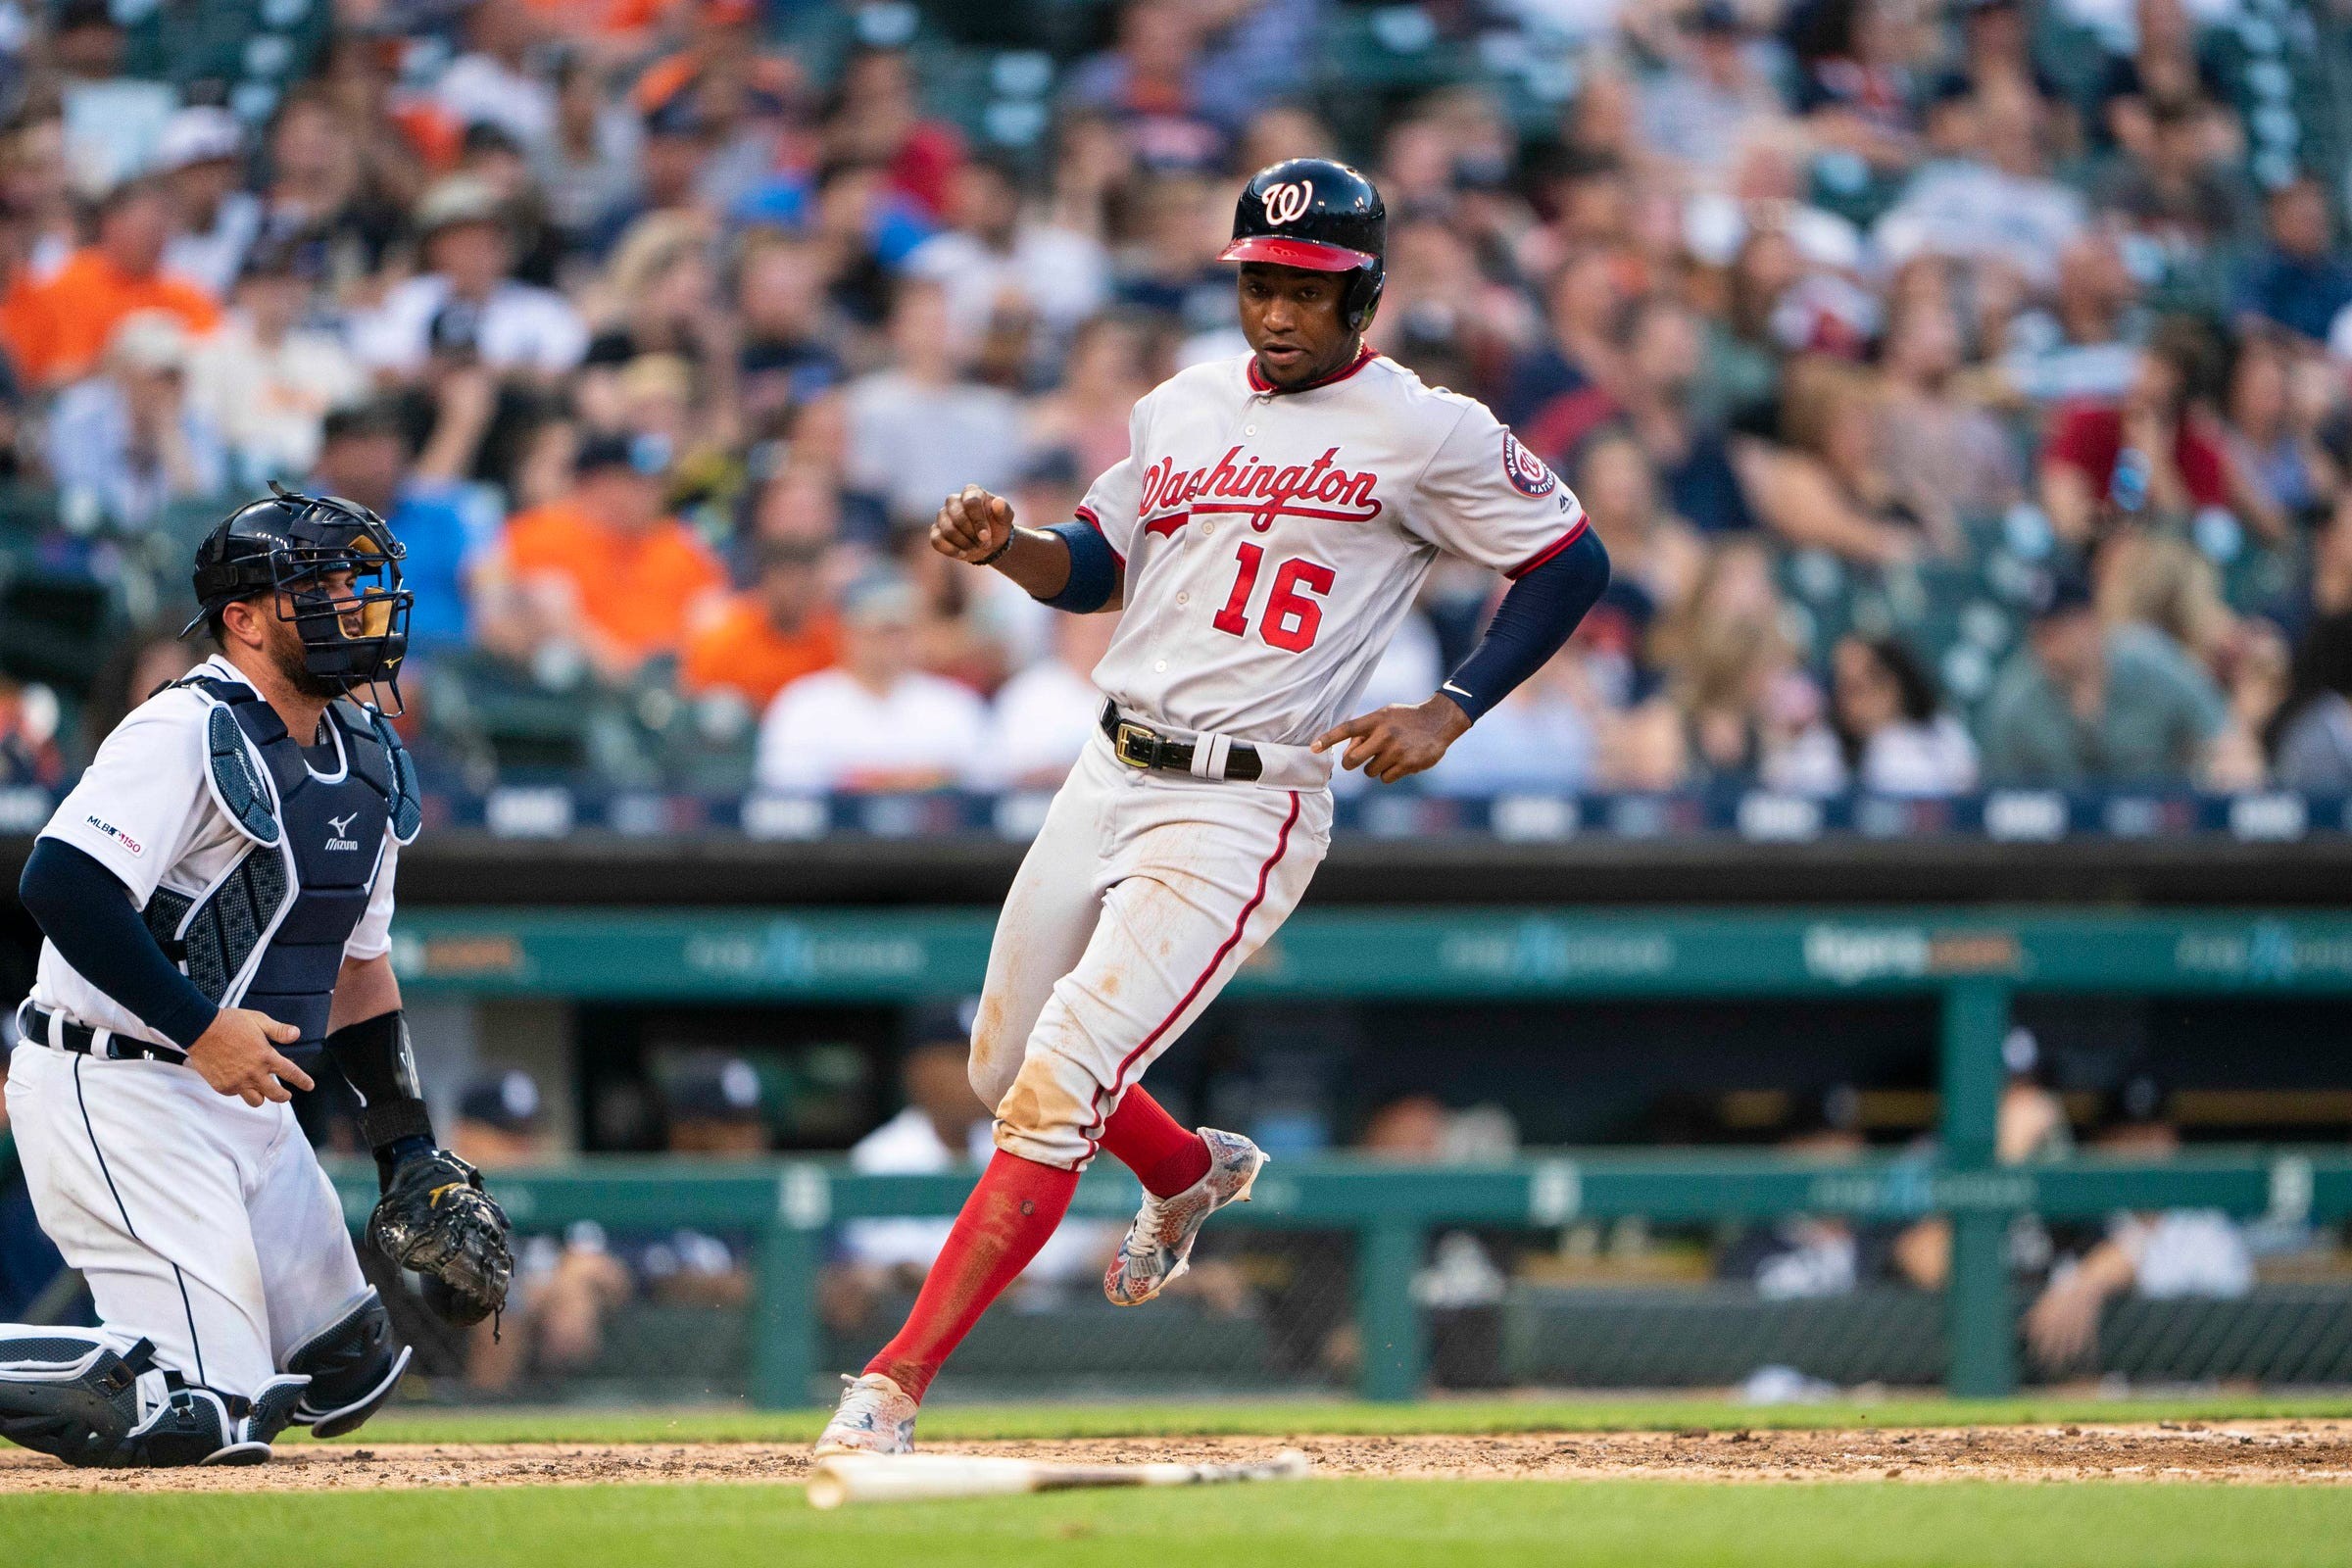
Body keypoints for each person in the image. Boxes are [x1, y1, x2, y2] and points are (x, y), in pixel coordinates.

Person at [815, 159, 1609, 1455]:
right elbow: (1090, 570)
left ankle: (891, 1387)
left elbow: (1571, 562)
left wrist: (1453, 706)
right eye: (1261, 284)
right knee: (1001, 1064)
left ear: (1365, 297)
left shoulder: (1429, 429)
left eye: (1309, 289)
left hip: (1245, 800)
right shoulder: (1180, 403)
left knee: (1060, 1078)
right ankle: (1187, 1171)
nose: (1280, 312)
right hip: (1111, 764)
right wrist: (1004, 545)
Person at [1, 491, 510, 1468]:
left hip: (241, 1099)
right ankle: (170, 1379)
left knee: (345, 1367)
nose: (348, 606)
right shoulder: (184, 727)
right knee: (210, 1415)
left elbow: (362, 970)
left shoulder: (367, 753)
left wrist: (407, 1148)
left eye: (350, 585)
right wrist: (199, 1027)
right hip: (121, 1083)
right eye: (314, 587)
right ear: (243, 617)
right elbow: (58, 881)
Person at [1979, 572, 2228, 785]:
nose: (2049, 646)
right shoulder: (2015, 697)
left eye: (2060, 631)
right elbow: (2000, 794)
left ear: (2092, 622)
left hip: (2164, 828)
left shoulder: (2150, 663)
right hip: (2058, 838)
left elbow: (2225, 739)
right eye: (2041, 634)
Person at [754, 572, 991, 794]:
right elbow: (784, 791)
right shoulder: (804, 703)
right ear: (848, 632)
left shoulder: (954, 704)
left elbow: (986, 786)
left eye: (903, 630)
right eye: (883, 630)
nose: (895, 642)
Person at [0, 176, 222, 390]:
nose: (157, 237)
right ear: (112, 224)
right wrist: (102, 367)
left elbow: (214, 351)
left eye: (162, 228)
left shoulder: (183, 291)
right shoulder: (65, 283)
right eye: (148, 228)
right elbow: (35, 377)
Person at [680, 536, 841, 710]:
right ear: (766, 580)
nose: (794, 591)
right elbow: (693, 701)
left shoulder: (834, 642)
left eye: (803, 581)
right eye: (786, 579)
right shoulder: (727, 640)